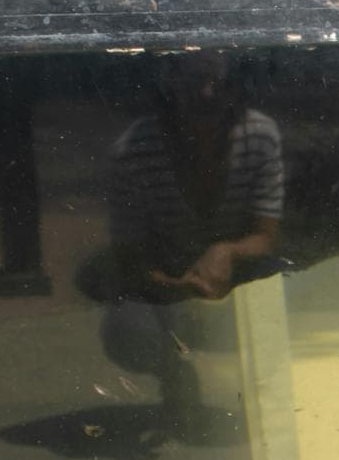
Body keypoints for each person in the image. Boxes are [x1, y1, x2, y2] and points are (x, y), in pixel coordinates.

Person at [78, 51, 284, 436]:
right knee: (128, 333)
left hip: (236, 279)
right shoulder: (134, 152)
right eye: (195, 82)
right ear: (170, 85)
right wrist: (177, 287)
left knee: (281, 303)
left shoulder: (259, 137)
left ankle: (270, 400)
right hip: (163, 284)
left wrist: (226, 251)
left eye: (218, 83)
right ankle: (172, 371)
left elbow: (266, 238)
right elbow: (130, 257)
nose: (207, 94)